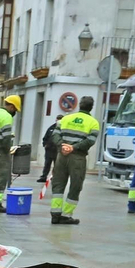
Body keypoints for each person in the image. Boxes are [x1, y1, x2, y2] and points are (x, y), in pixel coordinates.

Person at [48, 96, 101, 225]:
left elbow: (54, 134)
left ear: (80, 105)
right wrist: (73, 147)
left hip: (61, 156)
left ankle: (55, 215)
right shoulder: (93, 123)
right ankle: (66, 216)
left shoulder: (66, 118)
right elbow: (90, 141)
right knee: (75, 186)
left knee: (58, 184)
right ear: (91, 107)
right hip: (78, 157)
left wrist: (62, 146)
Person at [38, 114, 63, 183]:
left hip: (57, 150)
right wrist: (45, 144)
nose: (58, 121)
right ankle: (43, 176)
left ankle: (55, 177)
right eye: (57, 119)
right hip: (49, 149)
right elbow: (46, 137)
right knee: (47, 164)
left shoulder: (64, 129)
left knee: (57, 165)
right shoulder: (51, 127)